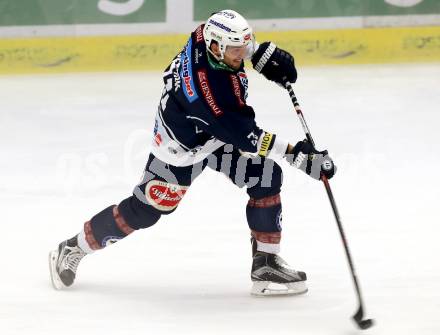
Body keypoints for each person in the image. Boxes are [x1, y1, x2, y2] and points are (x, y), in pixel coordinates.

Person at [49, 9, 336, 296]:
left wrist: (260, 54)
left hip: (211, 135)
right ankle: (74, 246)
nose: (242, 54)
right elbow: (250, 138)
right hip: (180, 150)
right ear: (215, 48)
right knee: (145, 211)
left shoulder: (206, 35)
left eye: (244, 46)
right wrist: (298, 155)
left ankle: (265, 264)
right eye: (237, 50)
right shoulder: (210, 94)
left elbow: (232, 48)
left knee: (265, 176)